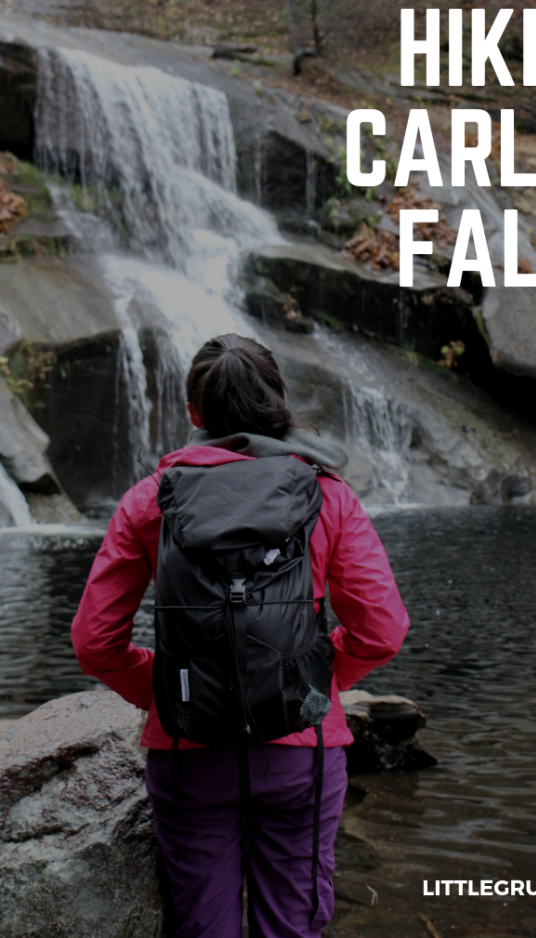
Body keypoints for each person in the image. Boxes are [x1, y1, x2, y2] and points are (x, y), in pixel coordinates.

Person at [72, 333, 409, 938]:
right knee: (293, 924)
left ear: (194, 414)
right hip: (301, 743)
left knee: (203, 926)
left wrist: (164, 688)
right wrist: (314, 679)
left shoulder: (151, 501)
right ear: (278, 401)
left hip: (187, 751)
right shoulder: (327, 495)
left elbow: (96, 641)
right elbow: (382, 630)